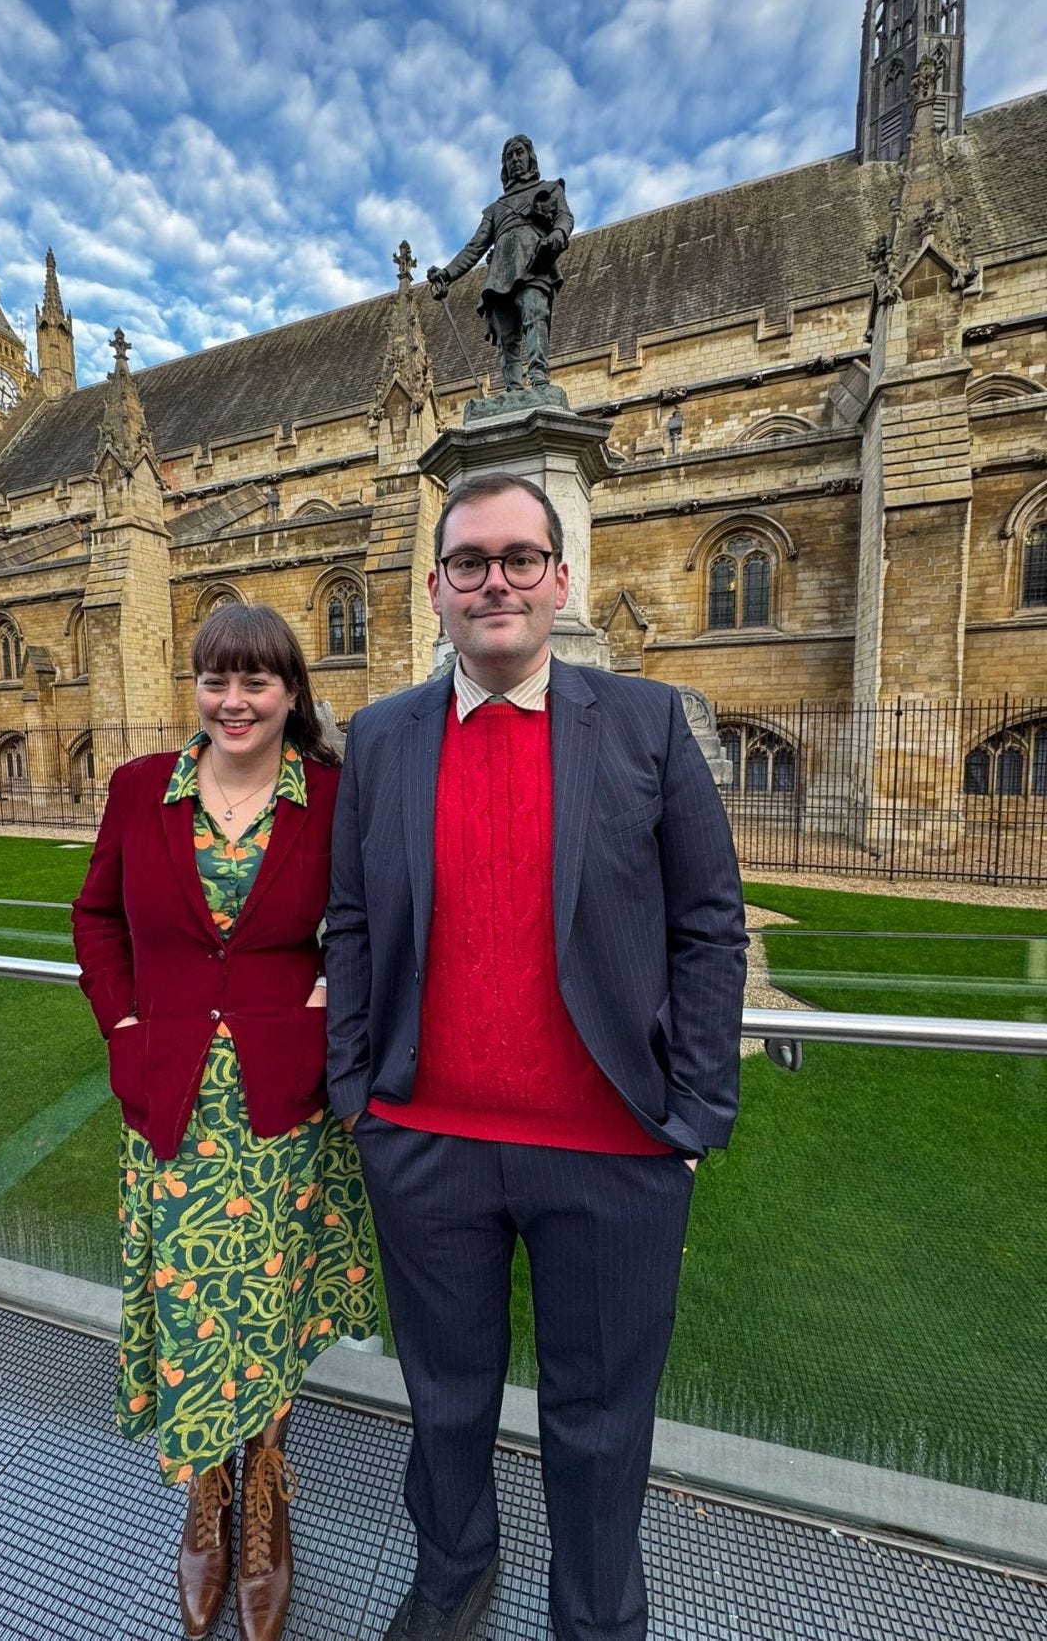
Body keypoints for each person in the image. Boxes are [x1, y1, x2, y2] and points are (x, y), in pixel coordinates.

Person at [324, 474, 746, 1641]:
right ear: (435, 588)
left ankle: (596, 1616)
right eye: (468, 561)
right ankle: (452, 1569)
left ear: (558, 579)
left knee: (600, 1417)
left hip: (612, 1151)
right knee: (443, 1399)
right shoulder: (382, 734)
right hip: (428, 1141)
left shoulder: (648, 720)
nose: (493, 579)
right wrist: (360, 1095)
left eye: (518, 557)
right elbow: (351, 921)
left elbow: (709, 921)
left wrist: (692, 1114)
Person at [72, 604, 377, 1641]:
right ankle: (208, 1499)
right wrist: (119, 1019)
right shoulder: (137, 788)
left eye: (254, 681)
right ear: (195, 686)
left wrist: (331, 996)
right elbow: (97, 914)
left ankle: (265, 1494)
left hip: (281, 1102)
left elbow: (381, 917)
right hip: (169, 1101)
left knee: (270, 1296)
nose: (232, 700)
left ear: (291, 692)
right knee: (193, 1291)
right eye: (214, 679)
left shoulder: (330, 795)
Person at [427, 134, 573, 392]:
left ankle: (539, 379)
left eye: (519, 153)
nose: (515, 160)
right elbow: (474, 247)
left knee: (535, 316)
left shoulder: (550, 189)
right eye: (509, 157)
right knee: (507, 338)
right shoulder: (496, 209)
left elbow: (564, 218)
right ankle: (513, 389)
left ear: (530, 157)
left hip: (534, 266)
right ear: (504, 166)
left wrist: (558, 234)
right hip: (501, 275)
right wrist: (447, 273)